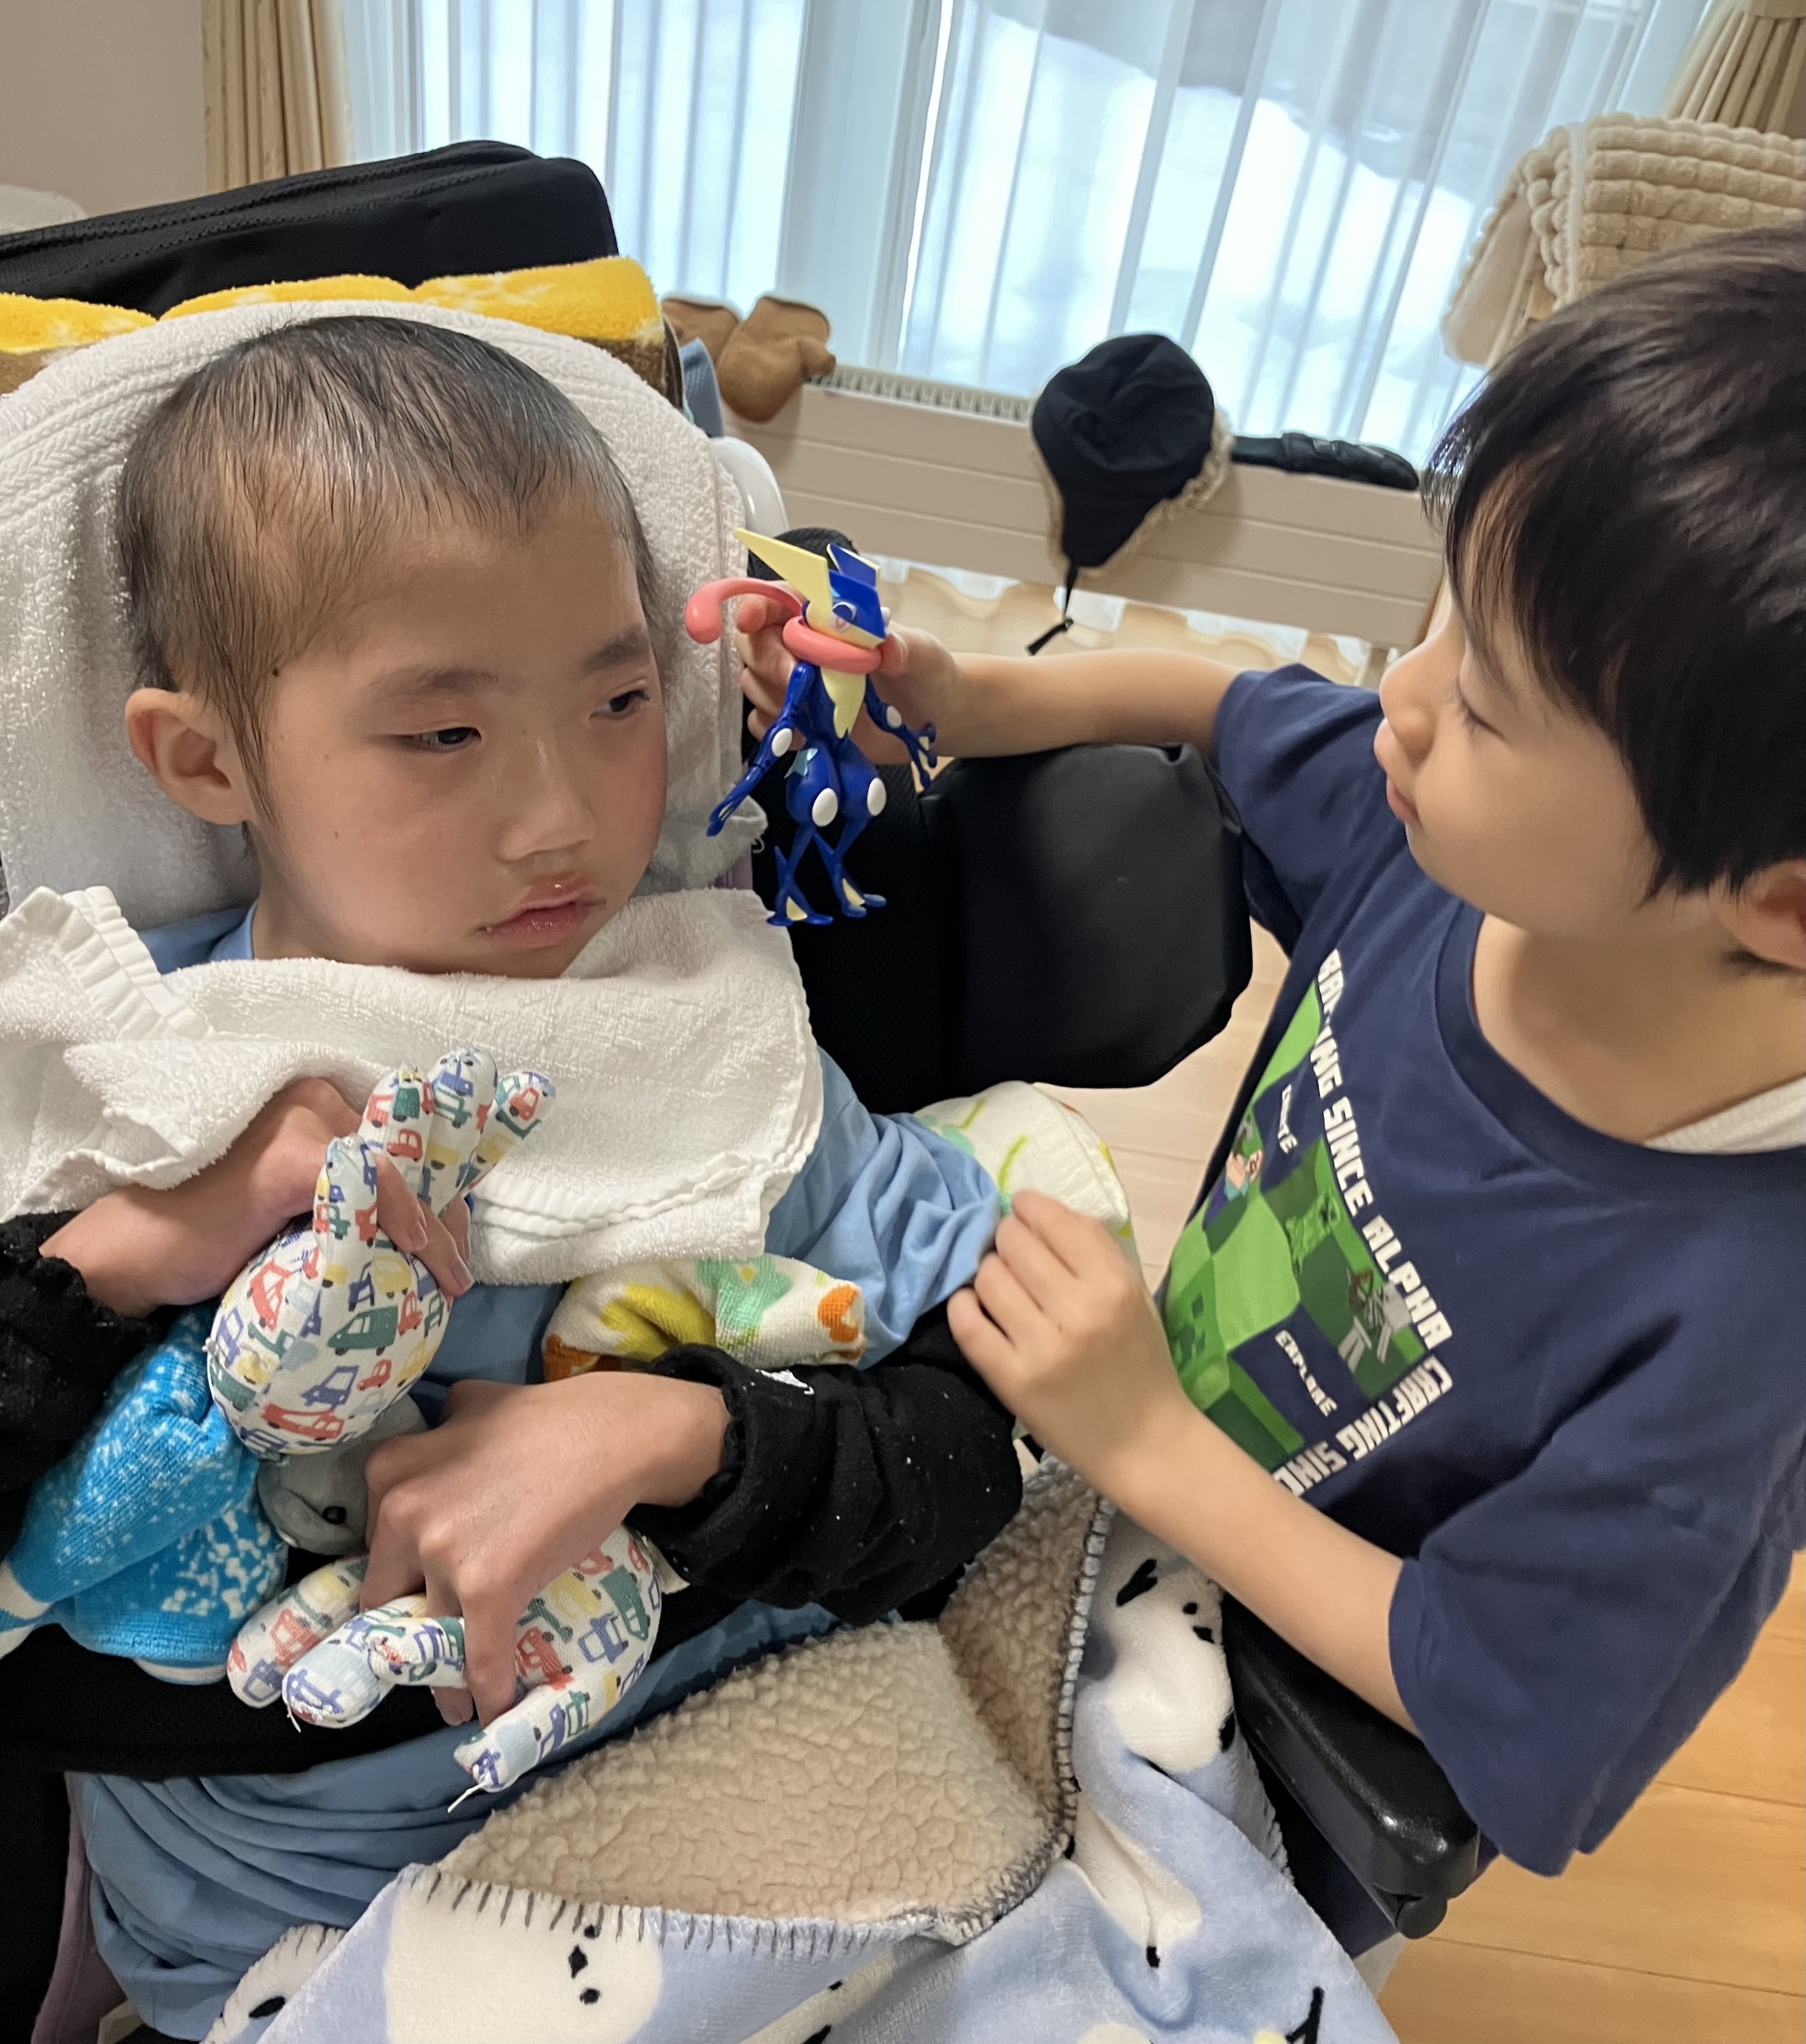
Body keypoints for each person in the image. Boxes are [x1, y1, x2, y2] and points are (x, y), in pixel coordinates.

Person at [741, 227, 1805, 1914]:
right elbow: (1227, 700)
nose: (1405, 701)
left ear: (1780, 903)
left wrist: (1148, 1439)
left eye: (1493, 704)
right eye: (1440, 620)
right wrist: (964, 697)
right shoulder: (1447, 839)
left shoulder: (1740, 1336)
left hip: (1289, 1769)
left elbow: (1494, 1698)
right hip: (1129, 1473)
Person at [1, 313, 1024, 2039]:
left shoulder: (699, 1034)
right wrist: (121, 1255)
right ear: (205, 760)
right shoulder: (106, 1058)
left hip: (724, 1821)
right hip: (289, 1933)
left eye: (619, 701)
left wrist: (667, 1437)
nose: (562, 816)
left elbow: (968, 1450)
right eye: (445, 736)